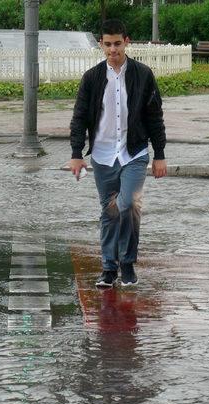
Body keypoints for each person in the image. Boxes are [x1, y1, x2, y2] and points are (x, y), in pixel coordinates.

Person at [69, 18, 167, 288]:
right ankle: (109, 268)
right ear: (101, 45)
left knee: (128, 205)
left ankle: (127, 263)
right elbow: (79, 117)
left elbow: (154, 116)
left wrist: (159, 154)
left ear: (127, 42)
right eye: (108, 44)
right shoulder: (92, 78)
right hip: (102, 155)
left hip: (133, 153)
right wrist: (77, 153)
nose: (113, 49)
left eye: (117, 43)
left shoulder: (143, 74)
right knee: (109, 211)